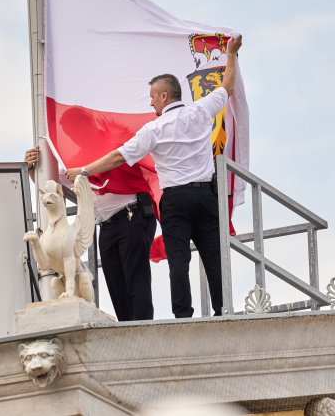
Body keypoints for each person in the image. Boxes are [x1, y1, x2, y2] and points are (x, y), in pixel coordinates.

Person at [66, 33, 243, 318]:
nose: (151, 104)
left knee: (178, 261)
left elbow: (117, 157)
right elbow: (228, 87)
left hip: (175, 200)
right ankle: (224, 311)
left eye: (152, 97)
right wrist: (231, 54)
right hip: (206, 196)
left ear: (164, 96)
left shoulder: (154, 129)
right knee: (214, 256)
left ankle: (183, 315)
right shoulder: (201, 111)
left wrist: (83, 171)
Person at [25, 147, 157, 322]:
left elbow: (117, 158)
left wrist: (83, 170)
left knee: (135, 280)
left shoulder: (107, 143)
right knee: (116, 287)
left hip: (130, 215)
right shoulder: (74, 161)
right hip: (106, 225)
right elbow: (51, 189)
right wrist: (31, 169)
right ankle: (128, 332)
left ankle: (142, 331)